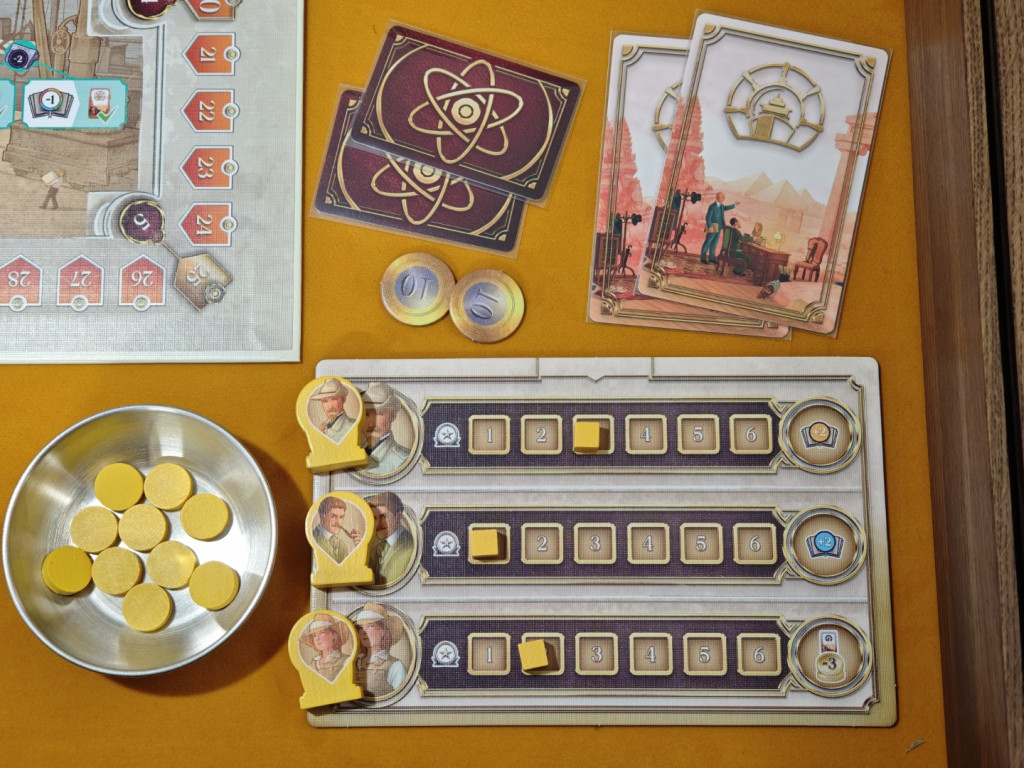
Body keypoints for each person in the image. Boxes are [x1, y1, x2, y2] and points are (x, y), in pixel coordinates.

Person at [354, 602, 409, 697]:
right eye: (361, 627)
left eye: (370, 626)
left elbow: (402, 699)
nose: (364, 632)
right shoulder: (354, 662)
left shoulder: (396, 667)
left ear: (383, 631)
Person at [364, 491, 415, 586]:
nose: (377, 524)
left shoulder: (411, 546)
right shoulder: (374, 550)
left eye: (383, 516)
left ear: (398, 517)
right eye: (374, 518)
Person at [362, 382, 412, 475]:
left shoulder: (401, 460)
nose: (371, 423)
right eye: (367, 414)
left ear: (392, 416)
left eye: (378, 414)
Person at [299, 613, 353, 682]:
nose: (317, 638)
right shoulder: (313, 664)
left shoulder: (346, 660)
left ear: (333, 635)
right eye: (314, 635)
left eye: (322, 632)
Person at [311, 495, 358, 564]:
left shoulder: (340, 545)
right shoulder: (312, 539)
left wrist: (359, 547)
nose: (338, 522)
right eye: (333, 516)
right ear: (322, 516)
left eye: (341, 517)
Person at [310, 378, 356, 444]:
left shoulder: (352, 426)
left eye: (334, 399)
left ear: (343, 400)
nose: (330, 406)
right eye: (325, 401)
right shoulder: (323, 427)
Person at [700, 191, 739, 264]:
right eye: (722, 197)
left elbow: (726, 207)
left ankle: (711, 258)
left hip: (720, 227)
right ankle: (703, 258)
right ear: (718, 198)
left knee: (714, 243)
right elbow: (708, 218)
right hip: (712, 227)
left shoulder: (721, 206)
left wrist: (734, 204)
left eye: (723, 197)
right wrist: (710, 227)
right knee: (707, 242)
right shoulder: (712, 206)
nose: (724, 198)